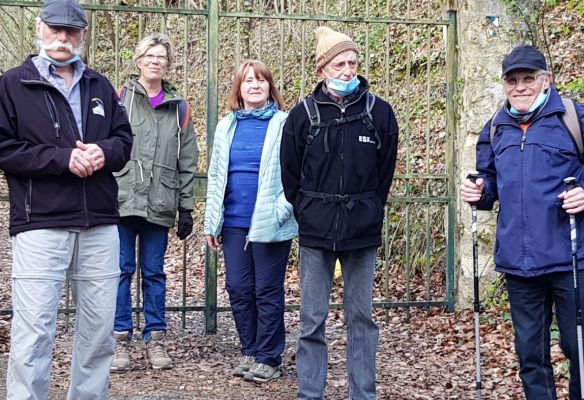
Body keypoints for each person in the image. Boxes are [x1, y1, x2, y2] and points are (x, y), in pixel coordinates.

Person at [458, 44, 584, 400]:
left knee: (580, 348)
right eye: (513, 80)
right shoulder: (496, 127)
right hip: (519, 262)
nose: (520, 87)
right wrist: (479, 190)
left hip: (572, 255)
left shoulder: (574, 117)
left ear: (546, 80)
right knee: (530, 355)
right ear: (504, 84)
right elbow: (490, 181)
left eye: (528, 79)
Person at [0, 0, 133, 398]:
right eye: (55, 30)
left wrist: (104, 152)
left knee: (99, 333)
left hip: (99, 221)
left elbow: (123, 141)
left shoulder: (99, 85)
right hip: (40, 222)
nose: (63, 38)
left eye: (72, 31)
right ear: (40, 28)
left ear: (83, 35)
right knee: (34, 332)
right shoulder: (13, 84)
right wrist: (63, 159)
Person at [280, 26, 400, 400]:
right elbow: (290, 174)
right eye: (340, 63)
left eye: (353, 62)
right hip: (316, 228)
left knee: (361, 318)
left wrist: (367, 208)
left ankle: (362, 393)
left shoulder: (379, 113)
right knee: (311, 318)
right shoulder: (302, 115)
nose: (348, 71)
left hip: (362, 229)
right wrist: (308, 209)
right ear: (322, 70)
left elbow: (385, 171)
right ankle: (309, 392)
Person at [203, 59, 297, 384]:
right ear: (239, 89)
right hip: (233, 221)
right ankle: (251, 349)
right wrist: (211, 222)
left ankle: (269, 358)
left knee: (267, 289)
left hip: (270, 221)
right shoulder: (226, 126)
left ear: (270, 87)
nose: (255, 86)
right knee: (239, 288)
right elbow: (216, 175)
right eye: (248, 81)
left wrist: (283, 209)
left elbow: (296, 172)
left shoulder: (285, 123)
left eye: (261, 80)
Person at [109, 33, 198, 371]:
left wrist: (186, 206)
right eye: (150, 55)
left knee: (154, 272)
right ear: (138, 59)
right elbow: (105, 145)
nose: (155, 61)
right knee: (120, 271)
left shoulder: (179, 108)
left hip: (160, 200)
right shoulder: (119, 98)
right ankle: (119, 340)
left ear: (168, 64)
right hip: (122, 198)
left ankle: (156, 339)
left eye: (161, 57)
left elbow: (187, 159)